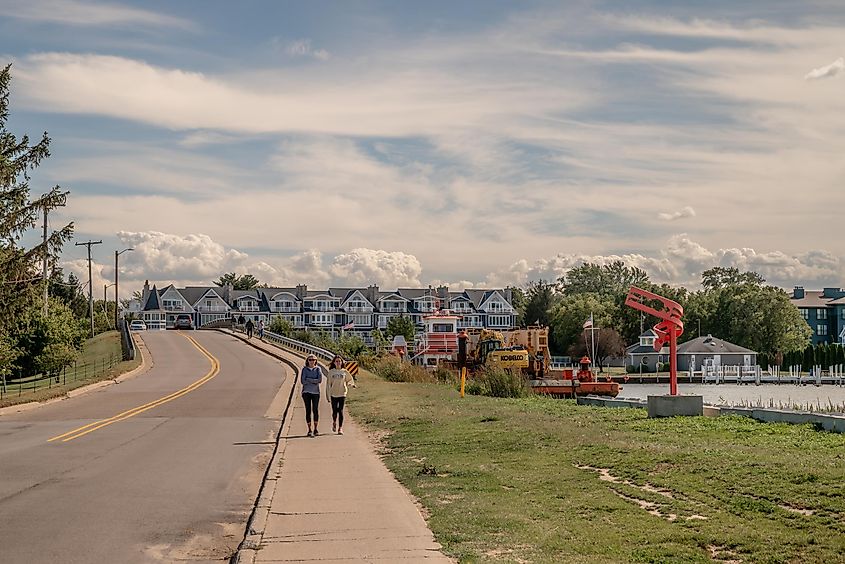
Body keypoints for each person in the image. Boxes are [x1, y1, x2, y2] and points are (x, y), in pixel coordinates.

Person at [326, 355, 356, 435]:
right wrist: (328, 396)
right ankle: (334, 422)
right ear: (334, 363)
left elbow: (349, 379)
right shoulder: (331, 372)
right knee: (335, 411)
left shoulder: (344, 371)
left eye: (339, 361)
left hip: (342, 393)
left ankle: (340, 428)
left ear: (342, 362)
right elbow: (328, 384)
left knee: (341, 410)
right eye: (336, 361)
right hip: (334, 394)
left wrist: (352, 385)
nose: (338, 363)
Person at [300, 354, 322, 437]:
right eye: (310, 360)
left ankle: (316, 428)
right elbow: (303, 381)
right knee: (308, 410)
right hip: (306, 392)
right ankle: (309, 429)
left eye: (313, 360)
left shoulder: (318, 369)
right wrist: (313, 381)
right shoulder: (304, 369)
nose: (312, 361)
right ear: (307, 361)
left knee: (315, 409)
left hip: (316, 392)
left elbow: (319, 380)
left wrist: (309, 379)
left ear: (316, 361)